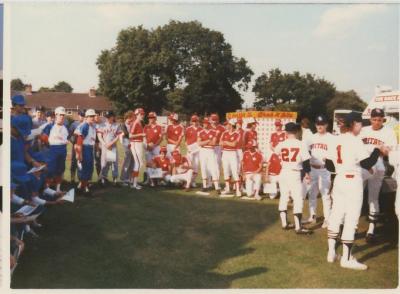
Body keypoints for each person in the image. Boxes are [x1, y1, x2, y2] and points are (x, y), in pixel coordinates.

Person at [325, 111, 385, 270]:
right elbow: (367, 164)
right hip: (353, 182)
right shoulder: (355, 141)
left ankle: (331, 252)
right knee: (351, 220)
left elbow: (329, 166)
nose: (361, 127)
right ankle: (346, 259)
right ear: (354, 124)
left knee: (336, 215)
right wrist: (377, 149)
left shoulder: (336, 140)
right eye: (360, 124)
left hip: (339, 180)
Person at [359, 108, 397, 243]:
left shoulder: (388, 131)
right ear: (370, 119)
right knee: (357, 194)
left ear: (383, 119)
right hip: (363, 165)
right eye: (374, 119)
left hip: (378, 165)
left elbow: (389, 152)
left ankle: (371, 230)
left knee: (373, 197)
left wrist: (384, 150)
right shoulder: (363, 130)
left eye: (379, 120)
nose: (376, 122)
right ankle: (351, 226)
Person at [275, 122, 312, 234]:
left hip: (284, 172)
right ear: (296, 131)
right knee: (297, 198)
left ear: (286, 132)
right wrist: (308, 174)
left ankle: (284, 223)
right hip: (295, 173)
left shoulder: (281, 144)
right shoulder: (301, 144)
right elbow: (306, 161)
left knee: (284, 197)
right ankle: (298, 227)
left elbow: (276, 152)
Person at [306, 115, 335, 227]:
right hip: (312, 168)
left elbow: (334, 154)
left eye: (322, 124)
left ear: (326, 125)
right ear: (315, 125)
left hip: (325, 169)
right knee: (312, 193)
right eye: (318, 124)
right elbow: (306, 152)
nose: (320, 126)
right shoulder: (311, 138)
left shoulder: (331, 138)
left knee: (325, 194)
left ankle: (327, 219)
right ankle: (312, 216)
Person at [40, 106, 69, 192]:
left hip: (63, 150)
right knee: (50, 170)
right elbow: (42, 137)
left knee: (60, 170)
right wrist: (48, 145)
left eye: (63, 115)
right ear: (55, 115)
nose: (62, 116)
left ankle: (58, 189)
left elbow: (67, 139)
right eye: (60, 115)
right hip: (52, 149)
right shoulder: (49, 126)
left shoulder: (65, 127)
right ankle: (47, 190)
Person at [74, 109, 97, 195]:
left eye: (93, 116)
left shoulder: (92, 126)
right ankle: (85, 188)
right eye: (90, 116)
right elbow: (79, 140)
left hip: (90, 148)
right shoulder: (85, 126)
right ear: (86, 117)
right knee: (85, 169)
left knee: (89, 169)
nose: (92, 118)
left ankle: (81, 187)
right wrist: (79, 153)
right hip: (85, 148)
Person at [97, 111, 122, 186]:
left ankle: (115, 180)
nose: (107, 118)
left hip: (112, 147)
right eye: (106, 117)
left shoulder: (116, 125)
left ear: (113, 117)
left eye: (109, 117)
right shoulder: (102, 125)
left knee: (114, 164)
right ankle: (103, 179)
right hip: (105, 147)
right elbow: (99, 136)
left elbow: (118, 136)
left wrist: (111, 143)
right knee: (104, 164)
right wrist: (105, 144)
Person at [198, 117, 221, 193]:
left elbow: (214, 143)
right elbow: (199, 143)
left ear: (209, 124)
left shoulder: (214, 132)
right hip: (203, 151)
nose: (205, 124)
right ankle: (204, 186)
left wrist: (204, 142)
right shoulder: (200, 132)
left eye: (206, 123)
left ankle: (217, 187)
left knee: (213, 168)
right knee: (203, 167)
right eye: (204, 123)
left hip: (211, 150)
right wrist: (208, 140)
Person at [220, 118, 241, 197]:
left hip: (232, 153)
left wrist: (225, 142)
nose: (226, 126)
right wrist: (227, 143)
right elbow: (220, 143)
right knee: (226, 171)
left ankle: (238, 190)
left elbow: (234, 144)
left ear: (231, 125)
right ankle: (228, 188)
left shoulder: (237, 134)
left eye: (228, 124)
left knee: (234, 171)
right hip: (225, 153)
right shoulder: (224, 133)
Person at [144, 112, 163, 185]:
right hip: (148, 147)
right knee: (148, 163)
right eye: (149, 117)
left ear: (155, 118)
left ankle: (157, 180)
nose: (150, 119)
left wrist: (154, 145)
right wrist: (147, 145)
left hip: (156, 147)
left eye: (152, 117)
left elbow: (161, 138)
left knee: (157, 162)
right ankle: (148, 180)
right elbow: (144, 137)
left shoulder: (159, 127)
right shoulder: (146, 127)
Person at [129, 108, 145, 190]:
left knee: (138, 163)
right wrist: (141, 134)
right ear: (137, 115)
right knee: (138, 163)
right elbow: (130, 135)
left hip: (138, 143)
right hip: (135, 143)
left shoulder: (139, 123)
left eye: (143, 114)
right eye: (141, 114)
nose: (142, 115)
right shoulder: (135, 123)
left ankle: (132, 182)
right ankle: (134, 183)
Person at [185, 115, 202, 187]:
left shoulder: (201, 129)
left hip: (198, 150)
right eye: (193, 121)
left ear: (198, 121)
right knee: (189, 165)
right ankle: (188, 180)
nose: (194, 122)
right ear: (191, 121)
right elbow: (185, 140)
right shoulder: (188, 129)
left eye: (196, 121)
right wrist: (187, 148)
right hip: (190, 149)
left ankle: (193, 181)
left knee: (196, 165)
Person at [69, 110, 85, 183]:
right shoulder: (74, 124)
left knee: (82, 161)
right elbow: (69, 135)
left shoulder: (86, 124)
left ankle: (81, 178)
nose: (82, 117)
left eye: (83, 115)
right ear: (78, 115)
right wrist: (74, 142)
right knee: (73, 161)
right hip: (75, 145)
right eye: (81, 115)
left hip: (84, 146)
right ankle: (72, 178)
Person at [119, 111, 135, 186]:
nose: (130, 120)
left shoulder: (132, 125)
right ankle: (123, 178)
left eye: (131, 118)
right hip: (126, 143)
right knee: (127, 161)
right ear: (126, 118)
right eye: (129, 118)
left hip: (133, 143)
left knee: (132, 161)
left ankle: (129, 178)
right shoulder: (122, 125)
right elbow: (126, 134)